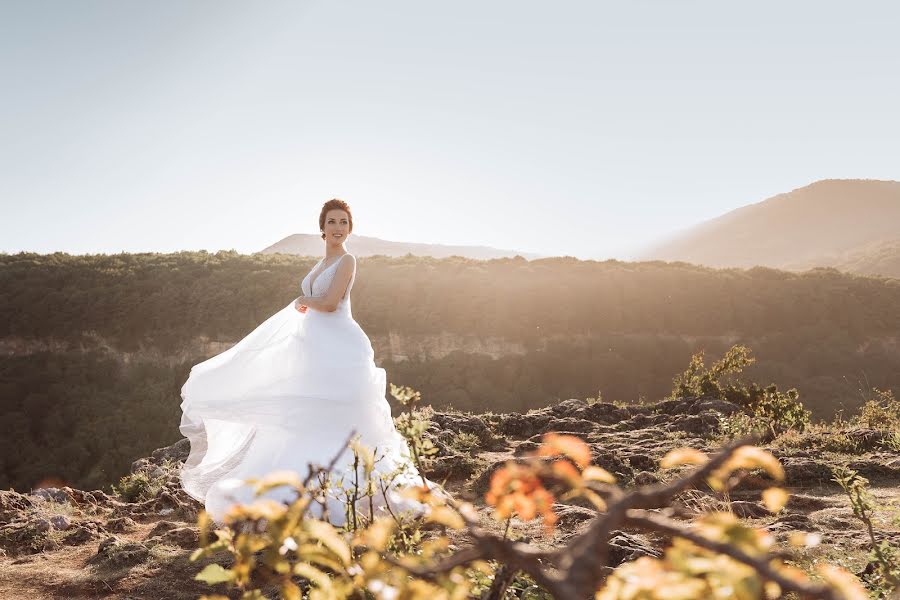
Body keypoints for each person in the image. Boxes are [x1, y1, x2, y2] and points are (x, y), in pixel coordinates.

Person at [179, 198, 442, 525]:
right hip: (315, 348)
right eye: (332, 222)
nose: (338, 228)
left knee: (344, 417)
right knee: (308, 416)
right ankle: (303, 477)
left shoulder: (347, 260)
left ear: (350, 228)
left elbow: (330, 303)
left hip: (341, 346)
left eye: (344, 222)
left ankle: (353, 487)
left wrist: (303, 299)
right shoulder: (320, 264)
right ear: (322, 228)